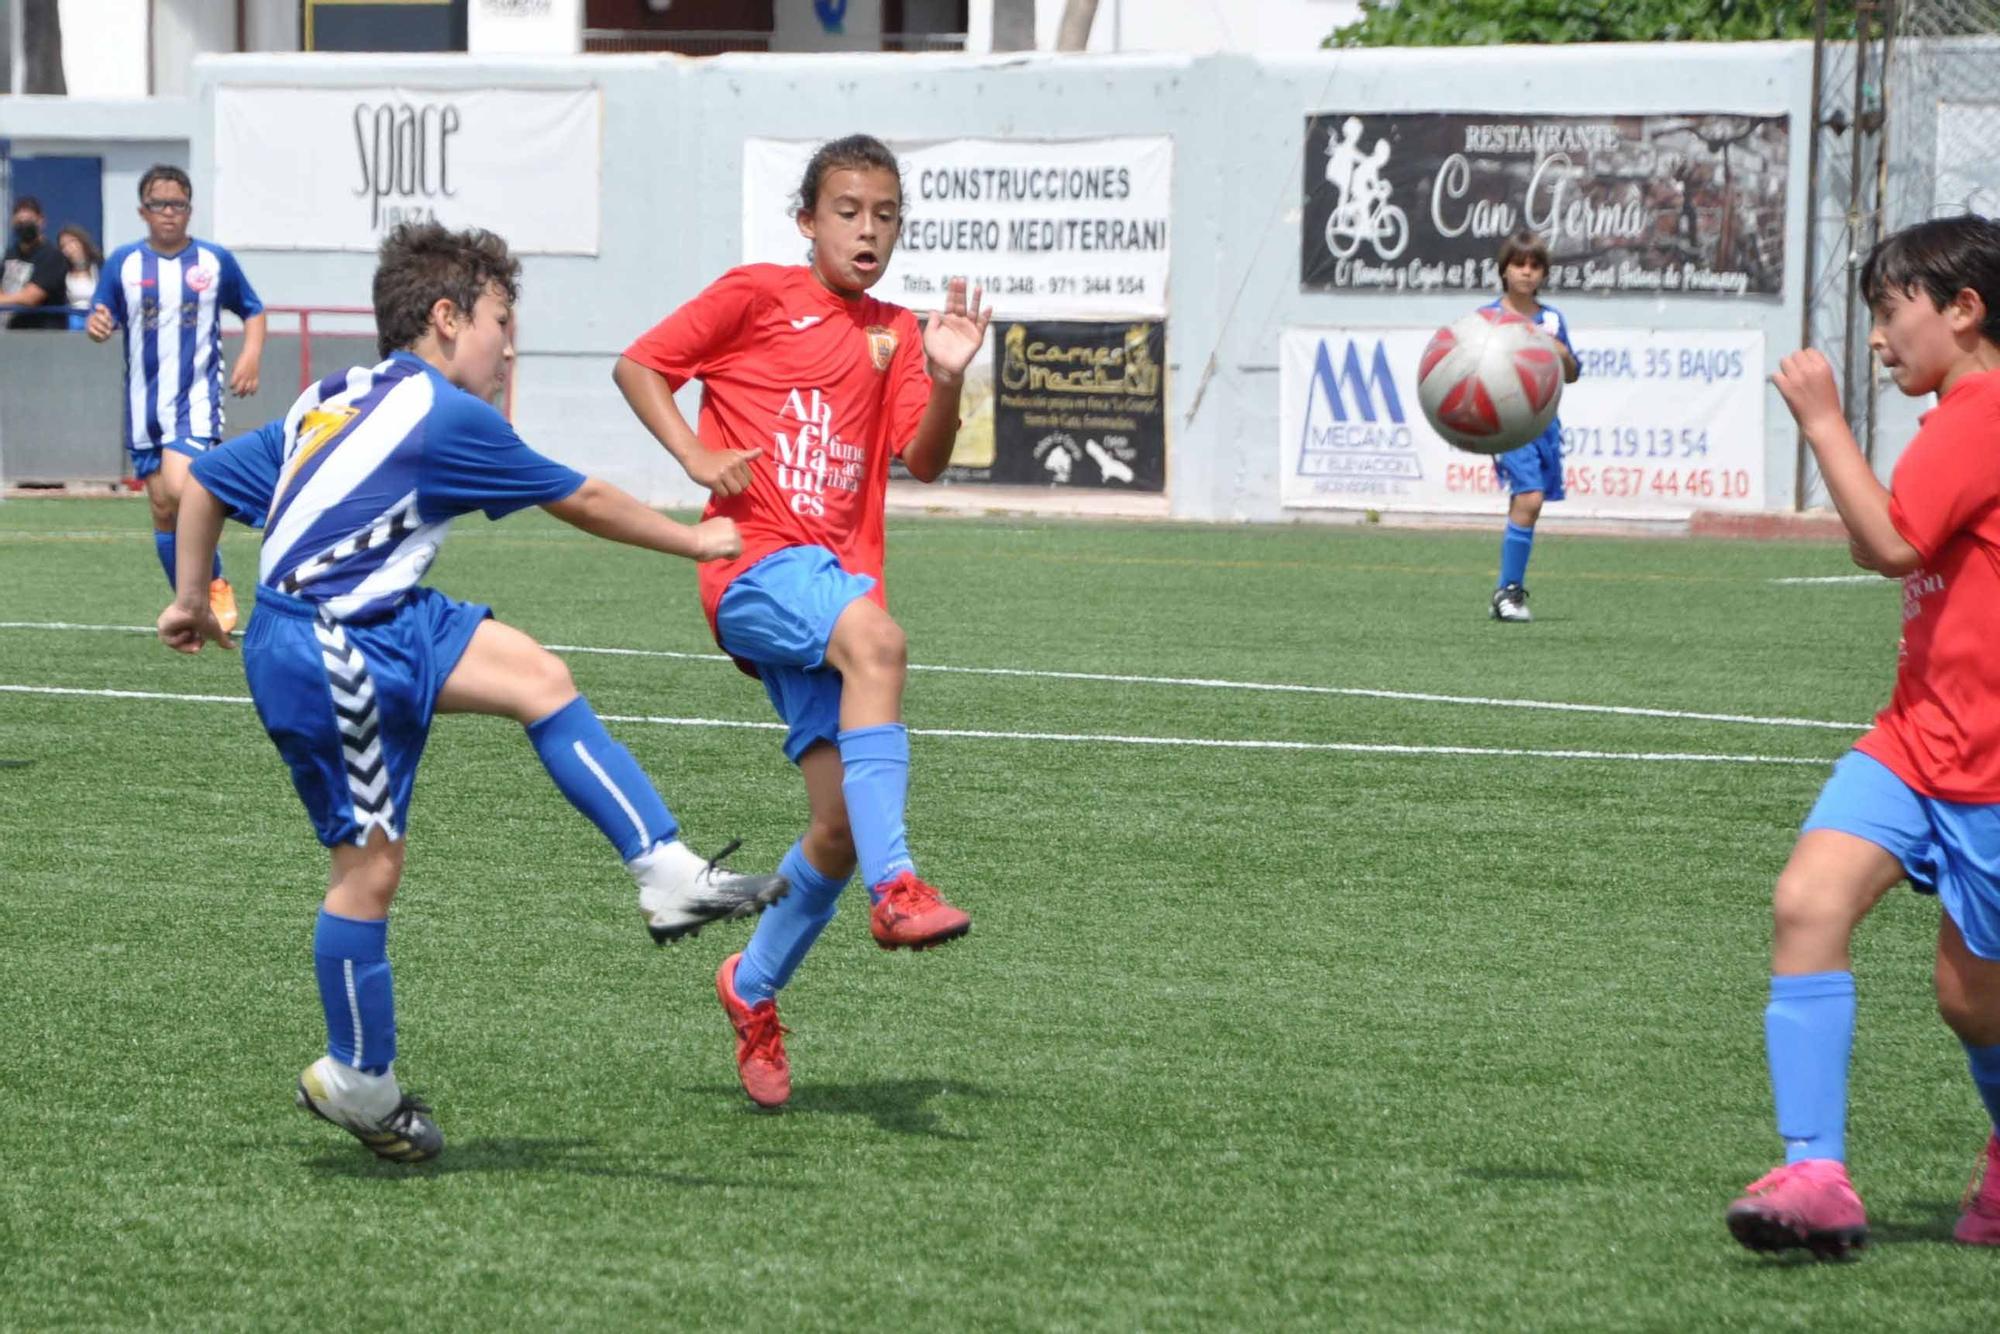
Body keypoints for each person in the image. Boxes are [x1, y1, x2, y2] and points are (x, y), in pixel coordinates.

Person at [156, 221, 791, 1164]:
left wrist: (190, 597)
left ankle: (665, 874)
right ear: (447, 319)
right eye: (501, 321)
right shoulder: (442, 414)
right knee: (367, 872)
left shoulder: (332, 398)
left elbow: (201, 483)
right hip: (332, 644)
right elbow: (577, 497)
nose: (508, 346)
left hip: (380, 617)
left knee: (540, 676)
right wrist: (694, 539)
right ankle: (358, 1081)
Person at [613, 133, 991, 1110]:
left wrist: (948, 375)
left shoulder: (899, 332)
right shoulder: (755, 295)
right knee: (880, 641)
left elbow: (927, 458)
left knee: (832, 827)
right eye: (848, 211)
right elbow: (639, 366)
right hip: (754, 567)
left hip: (830, 578)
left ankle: (750, 985)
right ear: (807, 222)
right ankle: (899, 887)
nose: (868, 231)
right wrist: (697, 455)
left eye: (885, 215)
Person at [1726, 214, 2000, 1259]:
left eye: (1889, 314)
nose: (1877, 339)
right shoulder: (1954, 418)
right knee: (1805, 896)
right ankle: (1814, 1170)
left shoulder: (1981, 415)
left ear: (1962, 309)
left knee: (1969, 1004)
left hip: (1986, 770)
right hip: (1909, 742)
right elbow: (1878, 538)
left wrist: (1820, 419)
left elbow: (1884, 542)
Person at [86, 166, 267, 634]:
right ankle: (198, 605)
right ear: (143, 211)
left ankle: (232, 550)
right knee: (164, 508)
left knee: (185, 488)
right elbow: (101, 314)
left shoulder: (212, 261)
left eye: (179, 204)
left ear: (190, 209)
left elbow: (252, 308)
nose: (170, 213)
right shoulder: (123, 264)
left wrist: (250, 355)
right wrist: (97, 325)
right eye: (160, 204)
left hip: (196, 400)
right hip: (144, 407)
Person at [1483, 229, 1580, 624]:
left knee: (1526, 504)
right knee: (1530, 499)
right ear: (1504, 270)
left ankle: (1506, 590)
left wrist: (1559, 352)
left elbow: (1572, 374)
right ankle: (1508, 593)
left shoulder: (1553, 320)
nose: (1526, 272)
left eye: (1534, 266)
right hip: (1509, 423)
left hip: (1544, 422)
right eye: (1518, 264)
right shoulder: (1489, 319)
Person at [1, 196, 69, 330]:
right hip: (12, 333)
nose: (24, 226)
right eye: (20, 222)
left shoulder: (52, 256)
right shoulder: (10, 253)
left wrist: (3, 300)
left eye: (29, 221)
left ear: (41, 221)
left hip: (44, 334)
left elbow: (30, 298)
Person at [57, 224, 102, 323]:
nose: (69, 248)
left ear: (82, 241)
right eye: (63, 246)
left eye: (72, 242)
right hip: (72, 322)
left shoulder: (100, 267)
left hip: (98, 319)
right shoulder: (62, 273)